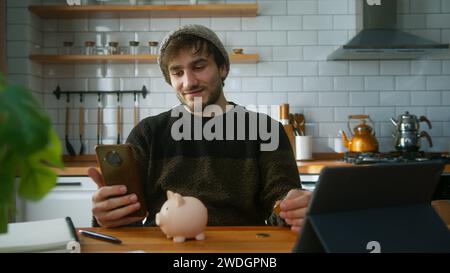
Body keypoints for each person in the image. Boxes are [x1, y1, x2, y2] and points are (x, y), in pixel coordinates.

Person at [88, 24, 312, 233]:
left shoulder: (265, 130)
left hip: (239, 250)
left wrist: (292, 208)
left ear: (222, 68)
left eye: (199, 66)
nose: (189, 82)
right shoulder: (148, 133)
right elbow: (127, 216)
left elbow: (280, 203)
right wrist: (108, 213)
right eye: (177, 72)